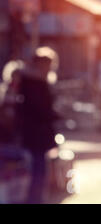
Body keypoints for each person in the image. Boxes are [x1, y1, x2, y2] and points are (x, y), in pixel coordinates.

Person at [15, 47, 60, 204]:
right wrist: (53, 114)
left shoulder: (33, 81)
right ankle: (35, 199)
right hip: (35, 132)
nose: (49, 68)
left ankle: (37, 198)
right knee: (38, 169)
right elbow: (38, 108)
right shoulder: (35, 83)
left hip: (35, 132)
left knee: (38, 167)